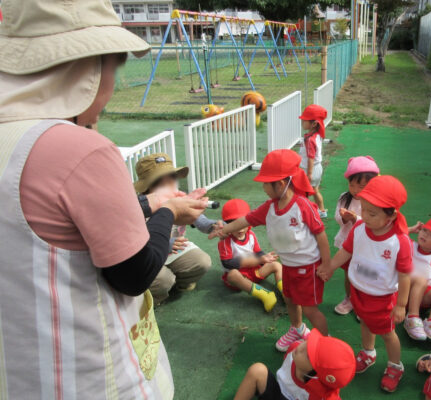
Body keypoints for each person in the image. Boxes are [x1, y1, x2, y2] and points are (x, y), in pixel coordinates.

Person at [0, 0, 208, 397]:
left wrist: (153, 204)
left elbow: (69, 223)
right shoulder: (80, 149)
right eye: (114, 65)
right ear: (90, 68)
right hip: (87, 373)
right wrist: (166, 209)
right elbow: (135, 273)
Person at [209, 149, 330, 350]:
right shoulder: (270, 207)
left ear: (281, 184)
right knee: (290, 300)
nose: (263, 187)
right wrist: (224, 231)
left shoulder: (302, 205)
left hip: (308, 268)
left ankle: (326, 346)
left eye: (266, 183)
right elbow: (245, 220)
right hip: (289, 266)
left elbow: (321, 235)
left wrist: (327, 264)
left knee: (310, 309)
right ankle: (297, 329)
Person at [318, 175, 412, 393]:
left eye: (372, 213)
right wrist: (331, 266)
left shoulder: (399, 241)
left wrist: (401, 305)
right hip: (358, 291)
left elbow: (405, 275)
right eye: (364, 209)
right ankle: (368, 352)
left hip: (382, 297)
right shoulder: (360, 228)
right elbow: (347, 250)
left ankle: (395, 365)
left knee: (388, 333)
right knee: (364, 322)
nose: (365, 216)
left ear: (391, 216)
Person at [135, 153, 214, 305]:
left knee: (202, 261)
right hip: (149, 254)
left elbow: (198, 219)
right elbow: (139, 240)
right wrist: (167, 242)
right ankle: (152, 300)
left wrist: (212, 226)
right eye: (160, 181)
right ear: (147, 186)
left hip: (173, 251)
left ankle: (179, 282)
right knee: (164, 280)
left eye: (171, 176)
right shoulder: (140, 207)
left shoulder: (176, 198)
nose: (169, 183)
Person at [233, 330, 356, 400]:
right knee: (257, 370)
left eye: (308, 355)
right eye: (309, 342)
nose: (302, 347)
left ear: (315, 375)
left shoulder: (322, 394)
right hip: (277, 392)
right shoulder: (295, 348)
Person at [333, 156, 380, 315]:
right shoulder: (344, 198)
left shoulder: (376, 202)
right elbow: (337, 218)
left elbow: (375, 224)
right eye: (352, 185)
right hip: (347, 244)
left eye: (361, 186)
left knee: (366, 275)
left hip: (367, 247)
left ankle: (364, 302)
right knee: (349, 274)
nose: (355, 190)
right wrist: (344, 218)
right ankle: (349, 298)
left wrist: (356, 219)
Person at [218, 198, 283, 312]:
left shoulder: (251, 235)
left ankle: (284, 289)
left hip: (255, 273)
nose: (240, 228)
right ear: (228, 225)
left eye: (243, 223)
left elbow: (258, 252)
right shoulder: (225, 241)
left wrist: (265, 258)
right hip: (240, 279)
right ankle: (264, 294)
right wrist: (257, 260)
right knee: (232, 275)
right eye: (235, 224)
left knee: (276, 265)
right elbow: (227, 263)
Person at [298, 104, 328, 218]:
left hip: (311, 169)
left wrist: (309, 174)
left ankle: (305, 212)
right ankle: (322, 210)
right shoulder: (316, 135)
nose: (302, 122)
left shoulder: (310, 139)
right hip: (317, 168)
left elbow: (311, 157)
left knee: (304, 193)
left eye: (304, 120)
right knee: (315, 190)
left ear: (314, 123)